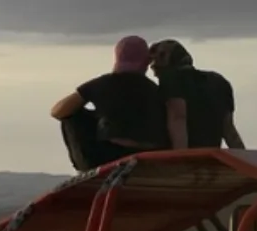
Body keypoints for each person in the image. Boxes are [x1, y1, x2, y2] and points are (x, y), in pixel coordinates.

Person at [50, 35, 169, 171]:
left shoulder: (103, 84)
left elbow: (58, 112)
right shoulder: (155, 89)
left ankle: (84, 167)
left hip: (110, 156)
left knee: (72, 115)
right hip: (151, 154)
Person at [148, 39, 245, 150]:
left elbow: (178, 119)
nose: (155, 74)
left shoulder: (172, 81)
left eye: (155, 67)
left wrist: (181, 157)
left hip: (189, 156)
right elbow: (229, 131)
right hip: (213, 155)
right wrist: (245, 158)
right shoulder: (218, 81)